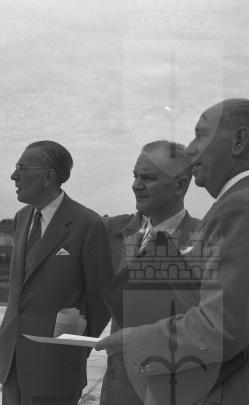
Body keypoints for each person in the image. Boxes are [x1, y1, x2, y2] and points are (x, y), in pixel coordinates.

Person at [96, 98, 249, 405]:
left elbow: (220, 330)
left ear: (239, 140)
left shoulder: (241, 207)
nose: (191, 150)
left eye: (201, 135)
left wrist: (135, 339)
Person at [0, 140, 114, 405]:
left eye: (21, 168)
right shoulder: (21, 218)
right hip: (12, 361)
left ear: (49, 176)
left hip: (56, 368)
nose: (14, 176)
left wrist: (73, 349)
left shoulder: (88, 224)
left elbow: (101, 299)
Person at [100, 140, 201, 405]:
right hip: (120, 393)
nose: (136, 185)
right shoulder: (117, 234)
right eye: (135, 176)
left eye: (148, 178)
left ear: (180, 185)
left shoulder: (206, 240)